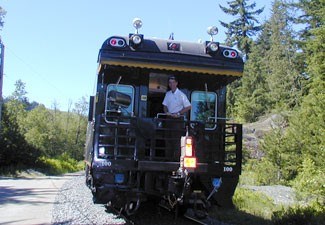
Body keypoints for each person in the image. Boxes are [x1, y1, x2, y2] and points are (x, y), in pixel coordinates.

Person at [162, 76, 191, 159]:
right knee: (167, 139)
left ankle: (175, 159)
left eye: (173, 82)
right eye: (170, 83)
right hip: (169, 118)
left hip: (178, 120)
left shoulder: (181, 95)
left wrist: (179, 113)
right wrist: (166, 112)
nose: (172, 84)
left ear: (176, 83)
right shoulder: (168, 94)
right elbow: (164, 105)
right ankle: (167, 159)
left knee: (176, 140)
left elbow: (188, 106)